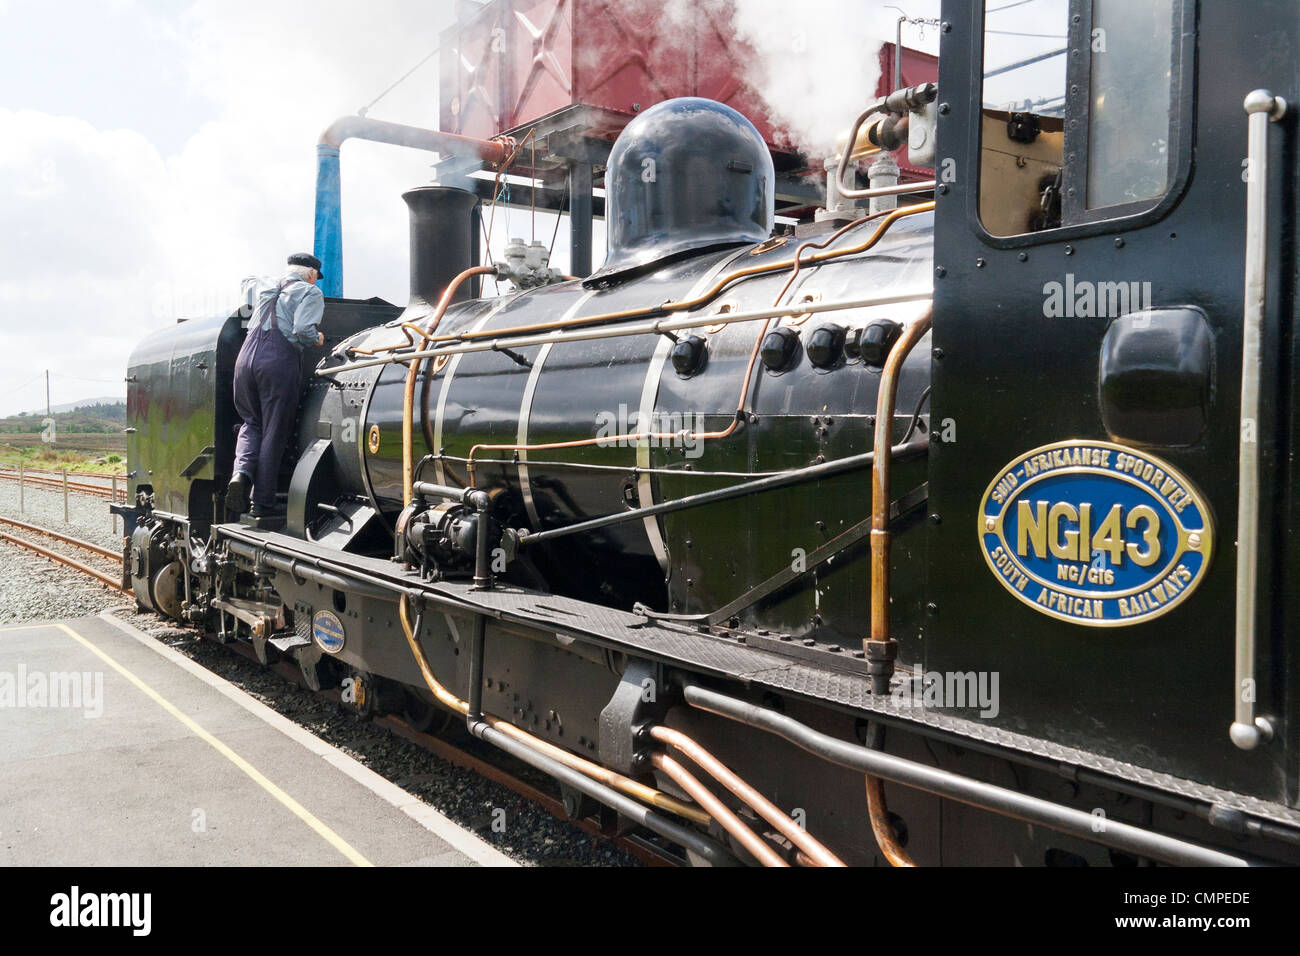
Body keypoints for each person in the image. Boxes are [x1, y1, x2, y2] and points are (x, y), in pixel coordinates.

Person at [226, 252, 326, 518]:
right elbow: (302, 329)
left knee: (251, 422)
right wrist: (317, 339)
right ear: (312, 274)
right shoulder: (310, 292)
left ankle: (241, 473)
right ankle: (261, 501)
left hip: (245, 359)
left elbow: (246, 282)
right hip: (277, 361)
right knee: (274, 430)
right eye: (316, 279)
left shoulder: (264, 283)